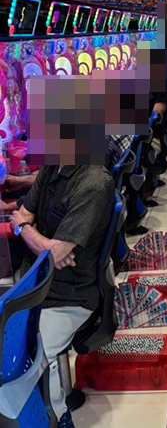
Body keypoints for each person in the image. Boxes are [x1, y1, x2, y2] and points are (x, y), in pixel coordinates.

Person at [10, 165, 114, 428]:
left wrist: (24, 229)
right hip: (34, 282)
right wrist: (42, 243)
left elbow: (51, 251)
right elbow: (25, 214)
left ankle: (59, 419)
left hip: (71, 293)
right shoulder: (52, 168)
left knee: (30, 358)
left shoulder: (93, 183)